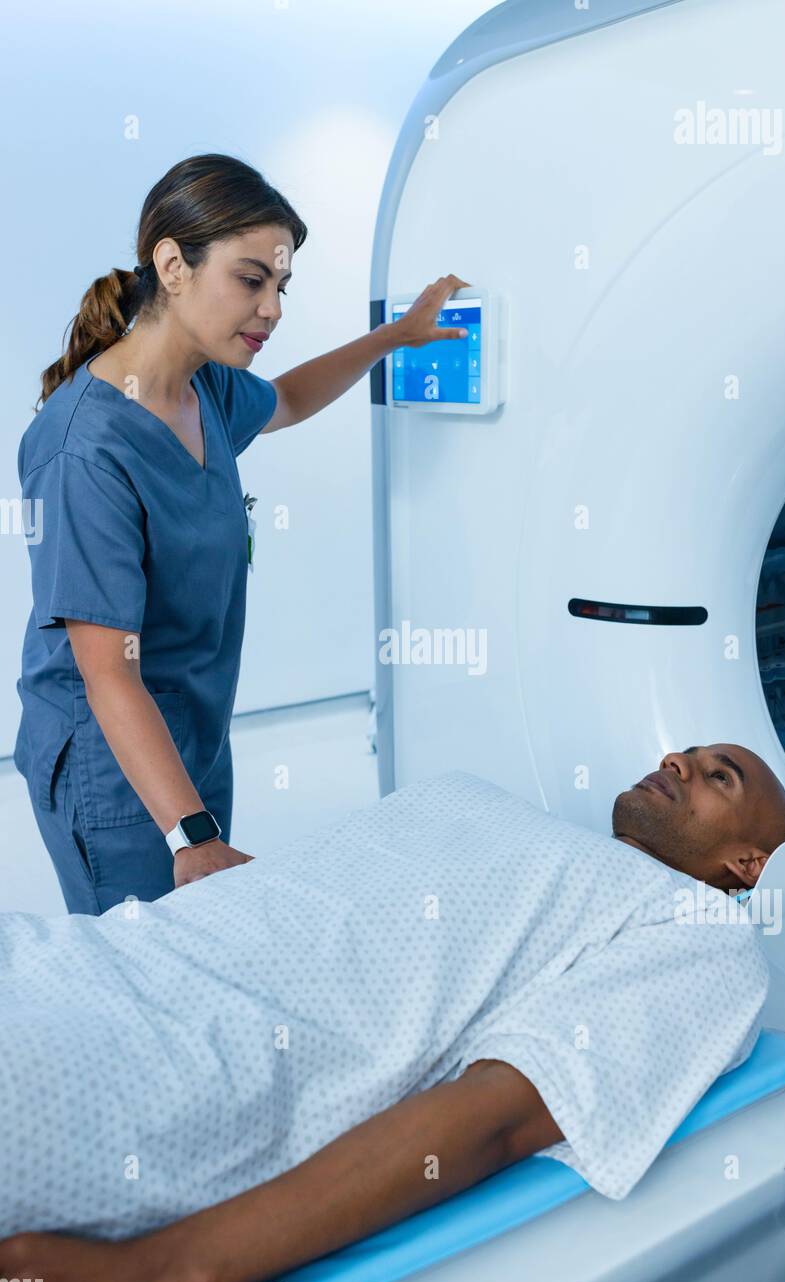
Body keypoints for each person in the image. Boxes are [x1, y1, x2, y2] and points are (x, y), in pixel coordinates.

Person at [0, 744, 785, 1282]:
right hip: (74, 953)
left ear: (746, 865)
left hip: (117, 1063)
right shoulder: (472, 796)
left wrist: (161, 1276)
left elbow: (497, 1115)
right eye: (681, 754)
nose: (675, 763)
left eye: (717, 776)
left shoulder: (697, 931)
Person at [12, 150, 469, 915]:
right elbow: (108, 673)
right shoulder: (84, 450)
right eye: (251, 280)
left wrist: (397, 336)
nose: (273, 309)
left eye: (281, 286)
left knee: (202, 953)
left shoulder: (206, 388)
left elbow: (287, 399)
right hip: (111, 764)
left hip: (191, 735)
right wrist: (190, 834)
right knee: (145, 977)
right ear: (173, 264)